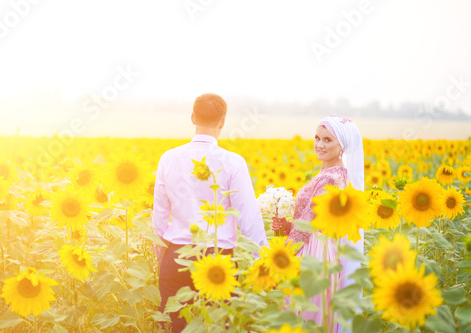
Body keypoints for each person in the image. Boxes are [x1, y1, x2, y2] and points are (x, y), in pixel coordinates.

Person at [153, 93, 269, 333]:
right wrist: (262, 260)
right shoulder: (233, 162)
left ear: (193, 117)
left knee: (177, 327)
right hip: (219, 260)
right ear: (223, 121)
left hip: (177, 258)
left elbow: (160, 216)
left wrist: (161, 257)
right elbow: (248, 217)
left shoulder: (168, 158)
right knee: (220, 327)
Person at [271, 115, 364, 333]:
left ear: (342, 145)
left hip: (312, 254)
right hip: (314, 248)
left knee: (302, 315)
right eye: (317, 138)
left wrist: (282, 257)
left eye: (327, 140)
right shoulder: (329, 173)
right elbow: (310, 219)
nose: (319, 145)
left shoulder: (331, 178)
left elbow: (308, 225)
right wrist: (285, 225)